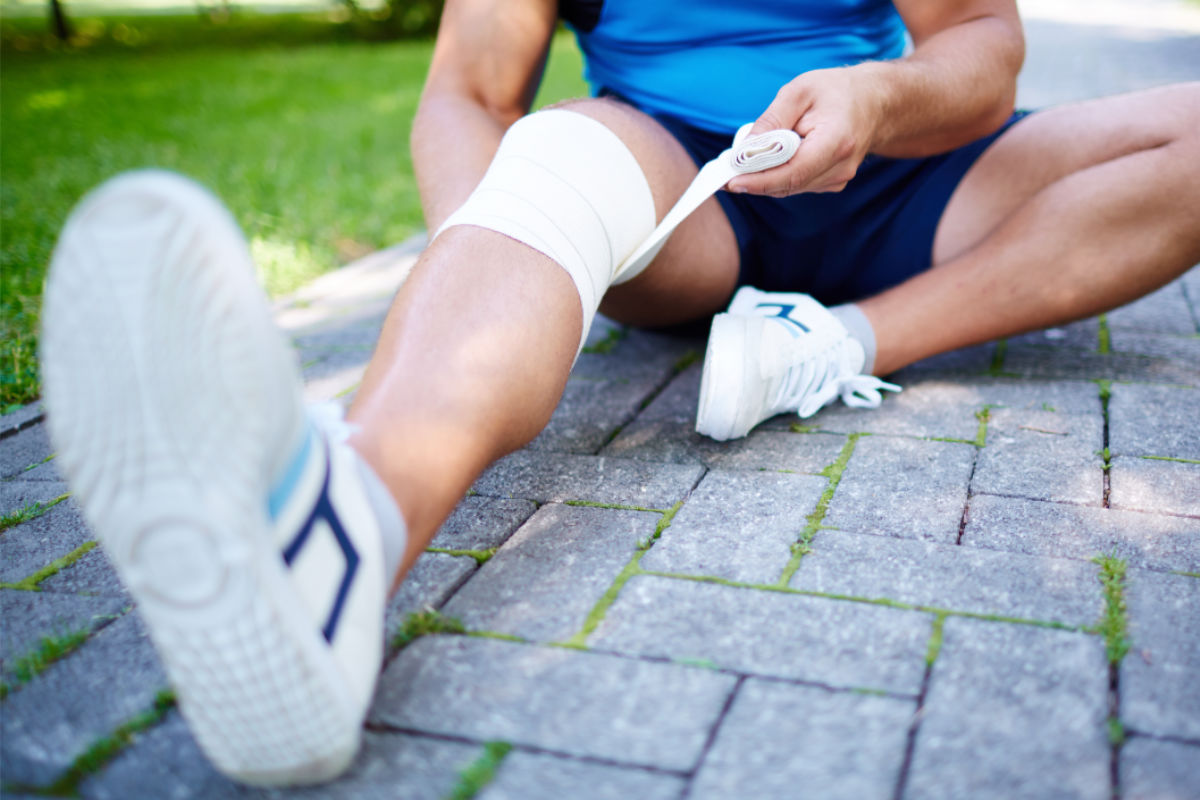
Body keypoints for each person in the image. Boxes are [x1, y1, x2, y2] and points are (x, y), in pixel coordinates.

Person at [39, 0, 1199, 785]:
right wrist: (496, 261)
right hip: (679, 183)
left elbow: (986, 47)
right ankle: (341, 539)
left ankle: (835, 341)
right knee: (551, 158)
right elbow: (469, 91)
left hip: (907, 169)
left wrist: (880, 102)